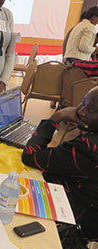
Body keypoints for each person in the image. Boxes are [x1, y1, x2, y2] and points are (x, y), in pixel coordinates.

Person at [22, 86, 98, 240]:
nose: (81, 111)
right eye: (83, 103)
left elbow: (30, 156)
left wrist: (57, 117)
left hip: (77, 219)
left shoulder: (88, 147)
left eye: (91, 109)